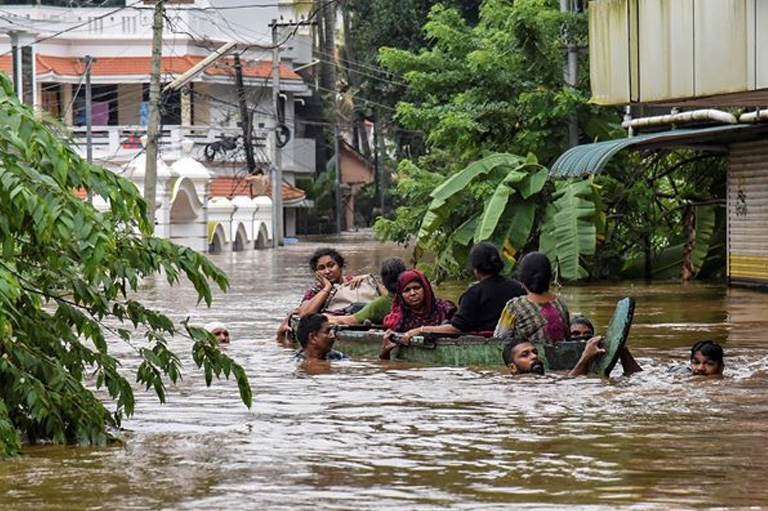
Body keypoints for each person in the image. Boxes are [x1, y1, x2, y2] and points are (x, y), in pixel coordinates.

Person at [400, 242, 525, 341]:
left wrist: (420, 330)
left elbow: (456, 329)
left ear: (475, 269)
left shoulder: (473, 294)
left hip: (483, 341)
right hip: (516, 341)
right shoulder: (518, 288)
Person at [494, 252, 570, 343]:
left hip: (529, 355)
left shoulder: (514, 306)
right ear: (549, 277)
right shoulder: (560, 302)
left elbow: (499, 339)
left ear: (522, 279)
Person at [328, 258, 407, 326]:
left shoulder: (380, 304)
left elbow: (349, 320)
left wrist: (325, 318)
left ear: (384, 281)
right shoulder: (410, 296)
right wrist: (370, 278)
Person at [382, 270, 457, 334]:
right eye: (407, 290)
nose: (412, 293)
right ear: (401, 295)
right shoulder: (399, 318)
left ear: (425, 289)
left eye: (416, 288)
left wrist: (421, 330)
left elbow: (459, 328)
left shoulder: (445, 309)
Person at [569, 315, 642, 375]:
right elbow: (570, 382)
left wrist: (621, 347)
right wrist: (585, 357)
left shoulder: (600, 353)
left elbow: (637, 375)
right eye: (576, 334)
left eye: (587, 334)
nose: (582, 338)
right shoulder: (559, 361)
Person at [502, 337, 606, 377]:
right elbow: (571, 382)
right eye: (525, 355)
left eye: (534, 352)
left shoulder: (546, 376)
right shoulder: (524, 381)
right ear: (512, 368)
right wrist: (585, 357)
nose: (534, 356)